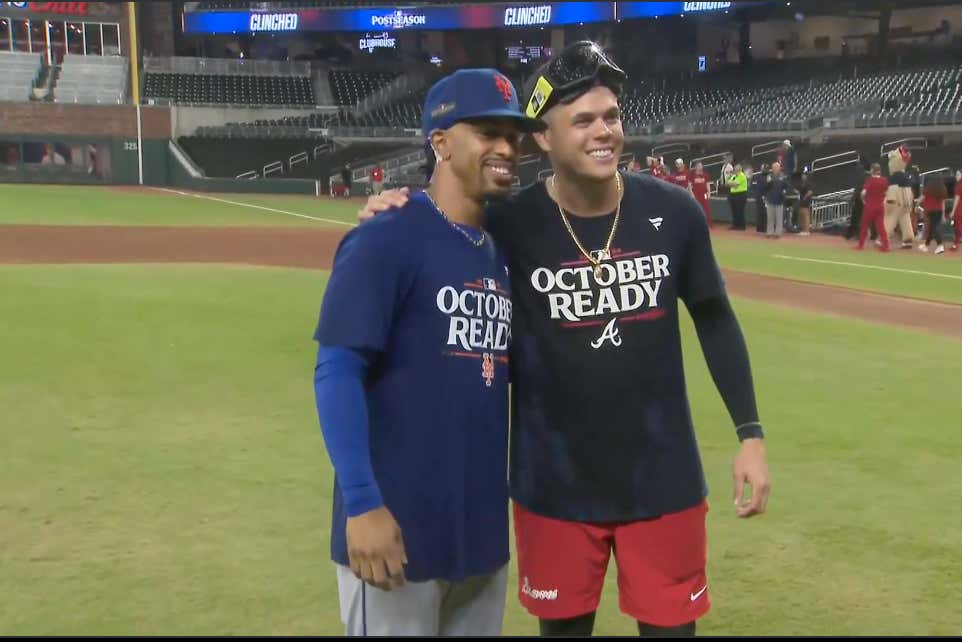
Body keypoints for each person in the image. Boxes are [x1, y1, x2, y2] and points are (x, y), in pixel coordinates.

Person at [358, 41, 770, 638]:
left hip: (664, 480)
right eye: (583, 121)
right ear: (543, 138)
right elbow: (439, 223)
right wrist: (393, 206)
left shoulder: (675, 212)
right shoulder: (507, 224)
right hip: (553, 488)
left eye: (612, 116)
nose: (604, 132)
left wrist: (750, 435)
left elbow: (714, 317)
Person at [312, 68, 544, 636]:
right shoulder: (385, 237)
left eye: (512, 136)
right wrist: (362, 504)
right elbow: (337, 371)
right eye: (487, 132)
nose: (506, 148)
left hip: (479, 540)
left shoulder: (501, 249)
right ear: (440, 141)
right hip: (394, 536)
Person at [855, 163, 890, 252]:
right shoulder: (884, 180)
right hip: (880, 206)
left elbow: (863, 193)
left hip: (869, 206)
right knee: (881, 227)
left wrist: (864, 201)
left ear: (872, 170)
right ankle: (886, 245)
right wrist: (883, 201)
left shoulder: (870, 180)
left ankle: (860, 245)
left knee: (864, 226)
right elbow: (886, 193)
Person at [918, 174, 948, 254]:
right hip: (939, 211)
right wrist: (943, 215)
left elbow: (922, 198)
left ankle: (940, 245)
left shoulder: (928, 188)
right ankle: (926, 245)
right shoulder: (943, 189)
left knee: (934, 228)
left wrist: (916, 203)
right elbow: (943, 203)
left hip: (930, 210)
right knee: (932, 228)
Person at [762, 162, 789, 238]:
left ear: (779, 168)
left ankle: (778, 233)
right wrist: (768, 182)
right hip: (770, 198)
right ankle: (769, 232)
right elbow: (765, 187)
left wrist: (784, 191)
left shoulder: (783, 176)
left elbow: (787, 186)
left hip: (779, 199)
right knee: (770, 217)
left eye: (777, 167)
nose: (776, 169)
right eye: (774, 167)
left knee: (779, 217)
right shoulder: (769, 176)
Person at [690, 161, 712, 228]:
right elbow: (690, 185)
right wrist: (691, 193)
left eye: (701, 166)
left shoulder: (705, 175)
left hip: (704, 194)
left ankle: (708, 223)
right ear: (696, 167)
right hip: (696, 194)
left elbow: (707, 184)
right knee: (696, 208)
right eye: (699, 166)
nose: (700, 167)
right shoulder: (692, 175)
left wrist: (709, 192)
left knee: (706, 208)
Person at [727, 163, 749, 230]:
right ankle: (735, 225)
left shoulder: (742, 175)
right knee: (734, 210)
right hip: (733, 195)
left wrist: (731, 183)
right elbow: (727, 183)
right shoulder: (734, 176)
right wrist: (731, 184)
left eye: (736, 169)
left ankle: (741, 226)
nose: (735, 170)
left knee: (740, 211)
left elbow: (735, 184)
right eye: (735, 169)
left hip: (741, 195)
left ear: (740, 169)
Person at [951, 170, 962, 251]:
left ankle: (955, 244)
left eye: (958, 174)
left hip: (959, 209)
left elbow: (957, 199)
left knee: (958, 227)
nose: (956, 176)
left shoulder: (959, 185)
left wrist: (953, 211)